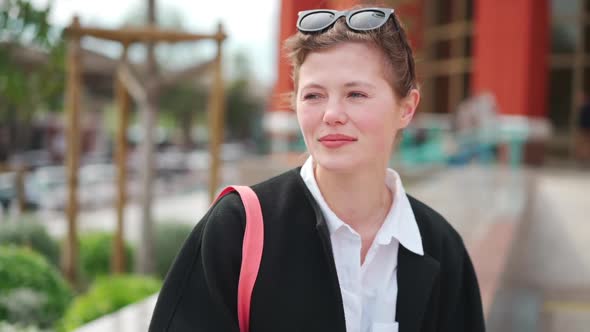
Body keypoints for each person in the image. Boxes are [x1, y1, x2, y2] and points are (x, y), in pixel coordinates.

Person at [149, 6, 485, 332]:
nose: (331, 114)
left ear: (407, 108)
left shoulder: (441, 249)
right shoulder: (237, 227)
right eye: (313, 96)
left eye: (355, 94)